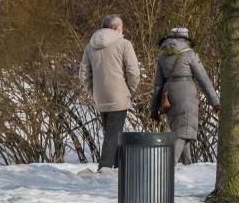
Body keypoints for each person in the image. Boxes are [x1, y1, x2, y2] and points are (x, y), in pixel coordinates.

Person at [149, 27, 220, 165]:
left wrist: (153, 108)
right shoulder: (190, 54)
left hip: (168, 95)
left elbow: (157, 85)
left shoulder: (163, 56)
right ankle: (169, 165)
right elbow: (203, 79)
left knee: (181, 130)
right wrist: (215, 102)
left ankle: (188, 164)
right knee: (183, 132)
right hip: (186, 93)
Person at [79, 14, 141, 170]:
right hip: (119, 94)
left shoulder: (90, 46)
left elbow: (83, 74)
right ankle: (104, 168)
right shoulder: (124, 44)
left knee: (112, 132)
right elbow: (134, 72)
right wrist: (130, 91)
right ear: (116, 28)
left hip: (100, 95)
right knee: (113, 133)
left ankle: (118, 167)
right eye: (121, 27)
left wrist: (93, 92)